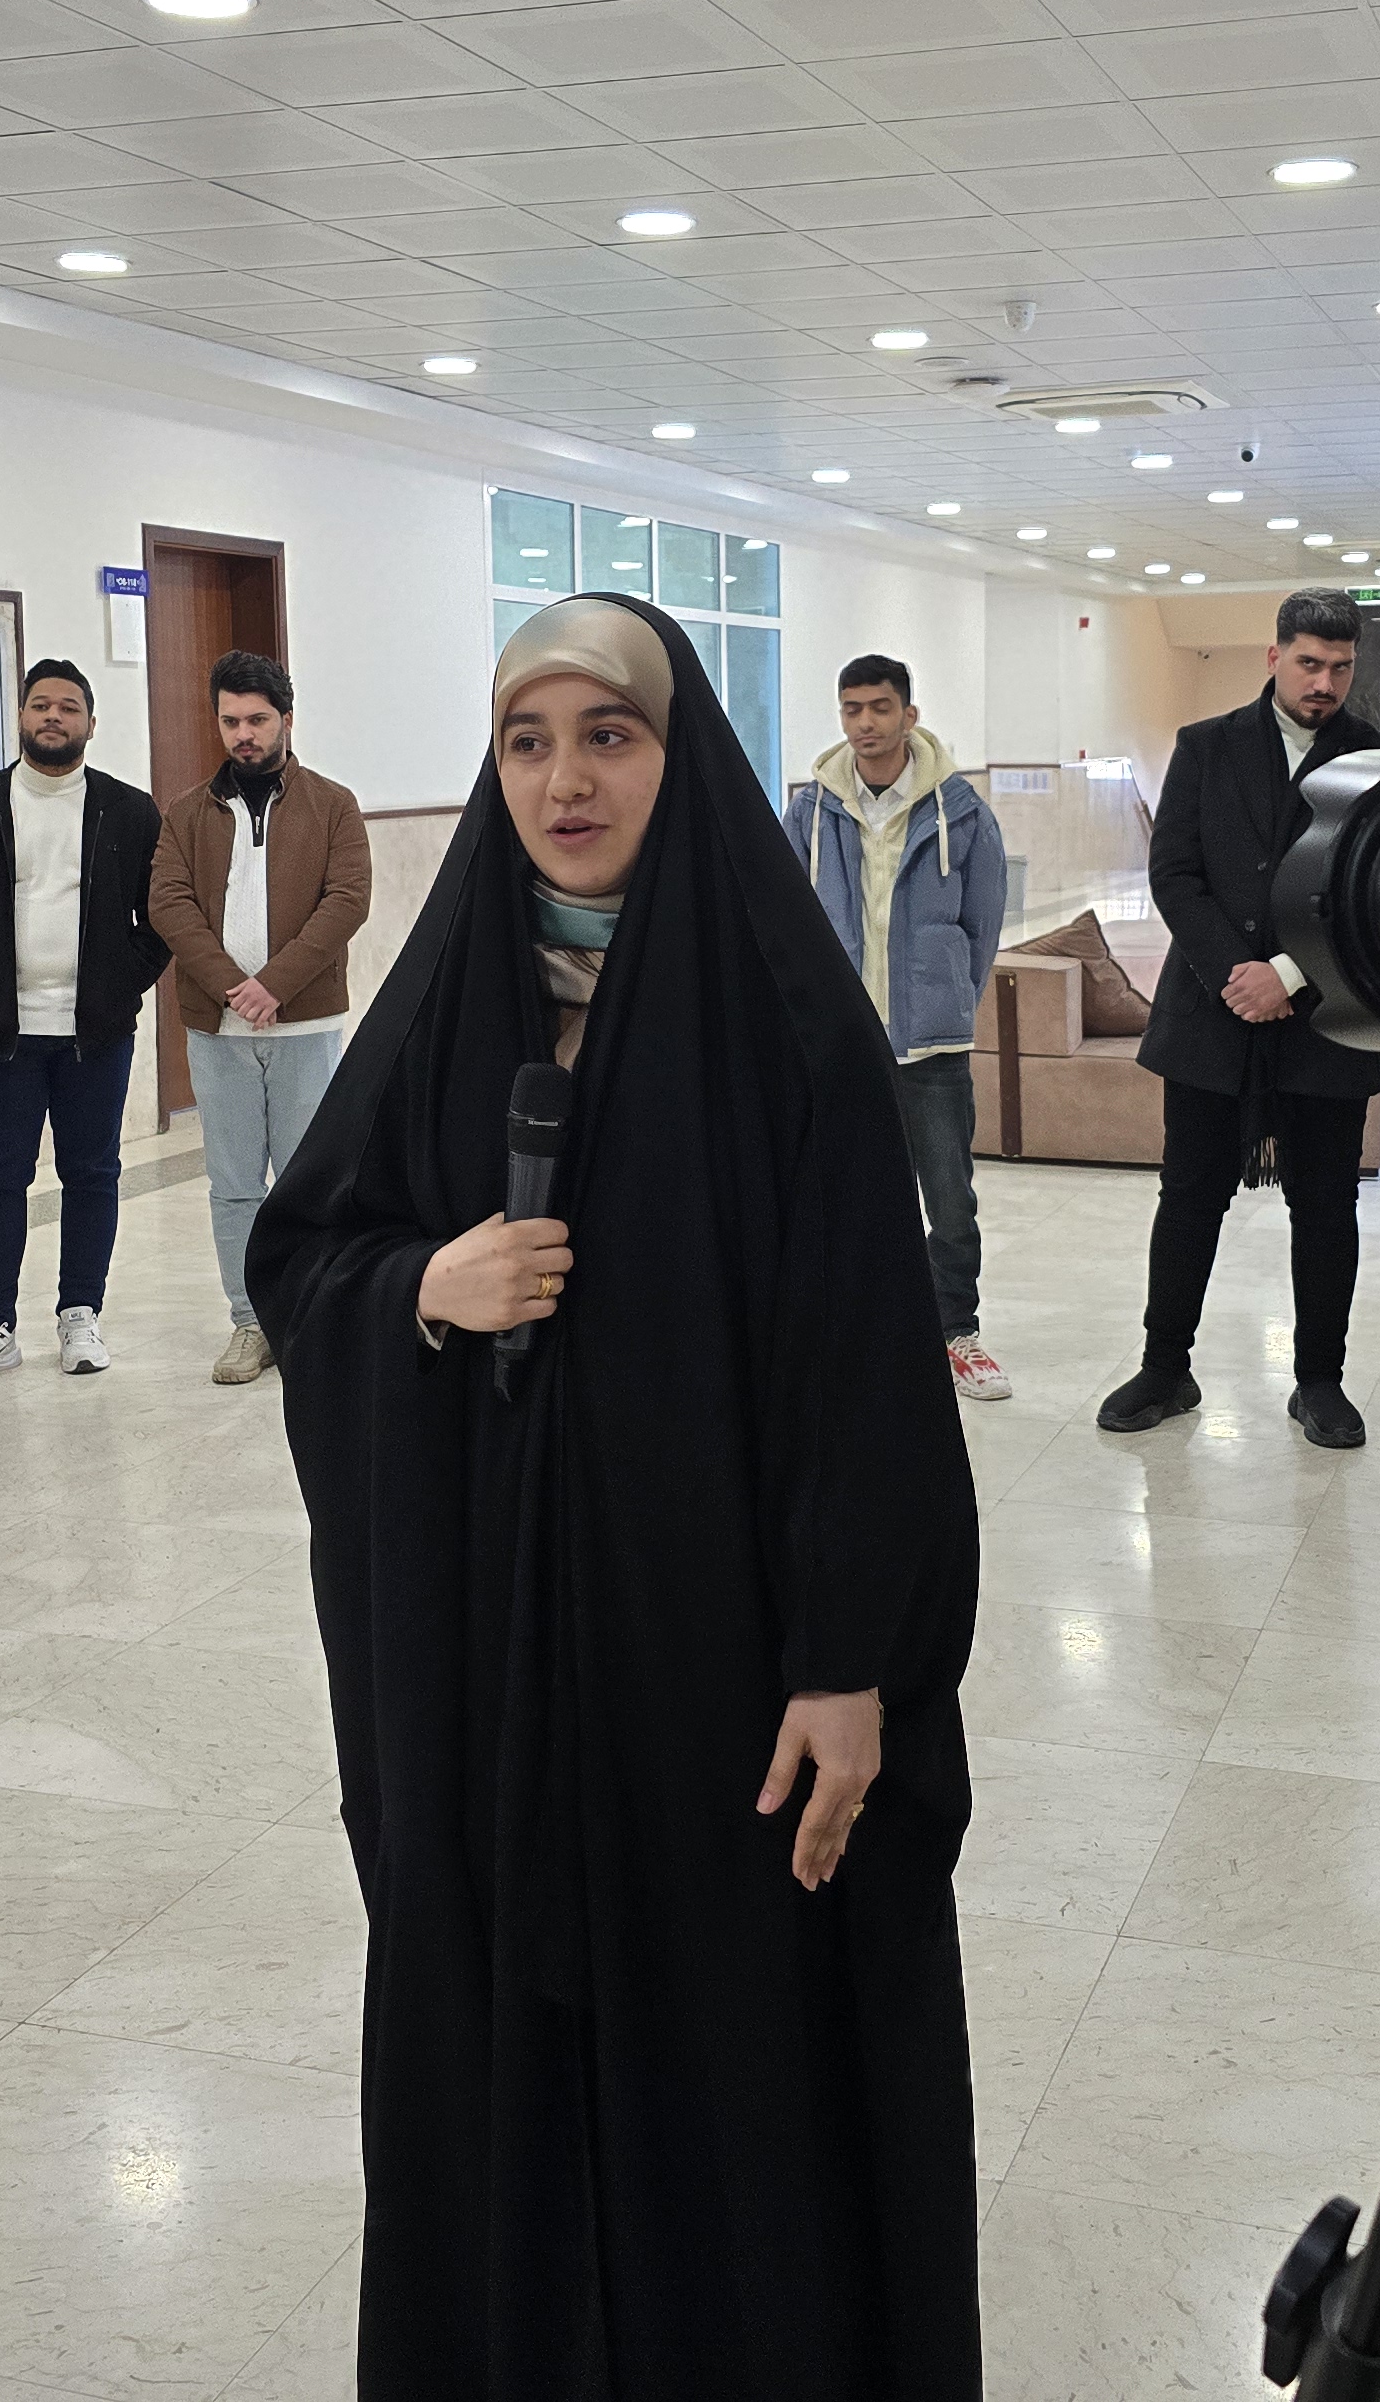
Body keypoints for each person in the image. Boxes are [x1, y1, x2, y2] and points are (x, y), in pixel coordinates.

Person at [254, 593, 981, 2399]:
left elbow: (864, 1378)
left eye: (609, 737)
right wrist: (426, 1288)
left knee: (734, 2047)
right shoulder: (450, 1001)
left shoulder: (788, 1022)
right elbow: (310, 1259)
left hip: (721, 1669)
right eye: (526, 743)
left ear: (681, 755)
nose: (563, 782)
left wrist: (848, 1661)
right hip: (494, 1671)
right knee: (508, 2026)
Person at [1099, 589, 1380, 1450]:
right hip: (1211, 1015)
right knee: (1190, 1197)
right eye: (1309, 663)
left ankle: (1320, 1381)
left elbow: (1374, 892)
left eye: (1340, 667)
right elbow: (1174, 873)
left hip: (1327, 1020)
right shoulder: (1206, 746)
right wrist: (1238, 973)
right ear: (1275, 657)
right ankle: (1165, 1366)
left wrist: (1289, 975)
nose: (1324, 682)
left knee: (1326, 1206)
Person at [0, 658, 167, 1387]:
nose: (54, 716)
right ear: (21, 716)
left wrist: (118, 987)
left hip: (95, 1034)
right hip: (3, 1035)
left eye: (69, 707)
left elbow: (162, 916)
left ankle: (81, 1314)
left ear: (91, 723)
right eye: (41, 705)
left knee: (92, 1173)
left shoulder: (130, 811)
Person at [786, 654, 1013, 1402]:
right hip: (842, 1045)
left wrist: (947, 1000)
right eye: (852, 709)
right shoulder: (811, 811)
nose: (865, 723)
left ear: (908, 716)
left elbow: (982, 926)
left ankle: (957, 1333)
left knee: (949, 1200)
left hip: (931, 1045)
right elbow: (788, 920)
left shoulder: (963, 812)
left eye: (880, 708)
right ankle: (856, 1329)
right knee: (841, 1191)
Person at [145, 648, 368, 1386]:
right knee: (235, 1183)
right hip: (218, 1031)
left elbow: (347, 900)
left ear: (286, 720)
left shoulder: (333, 804)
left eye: (258, 720)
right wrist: (233, 987)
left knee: (310, 1180)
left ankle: (310, 1314)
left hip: (306, 1027)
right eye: (230, 721)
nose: (243, 734)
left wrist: (274, 985)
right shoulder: (185, 813)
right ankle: (252, 1322)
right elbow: (169, 903)